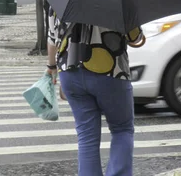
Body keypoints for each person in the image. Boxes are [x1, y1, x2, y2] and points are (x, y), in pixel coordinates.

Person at [46, 11, 146, 176]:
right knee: (122, 129)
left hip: (71, 71)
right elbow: (135, 37)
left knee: (87, 138)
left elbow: (52, 37)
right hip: (110, 71)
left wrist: (51, 67)